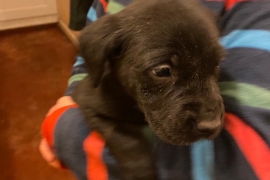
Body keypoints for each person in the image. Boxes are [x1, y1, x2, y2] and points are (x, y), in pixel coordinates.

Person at [40, 0, 270, 179]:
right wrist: (131, 154)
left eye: (215, 64)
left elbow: (249, 165)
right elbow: (88, 59)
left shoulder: (254, 10)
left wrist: (63, 128)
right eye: (163, 71)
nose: (209, 121)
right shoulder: (108, 10)